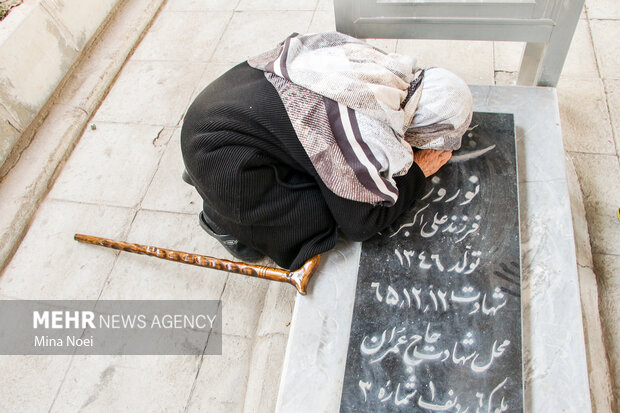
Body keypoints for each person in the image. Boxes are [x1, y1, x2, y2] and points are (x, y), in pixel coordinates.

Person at [181, 32, 472, 270]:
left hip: (214, 111)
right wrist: (419, 170)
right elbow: (362, 223)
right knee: (328, 211)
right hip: (221, 159)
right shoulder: (369, 131)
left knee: (319, 165)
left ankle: (217, 197)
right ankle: (228, 225)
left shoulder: (382, 67)